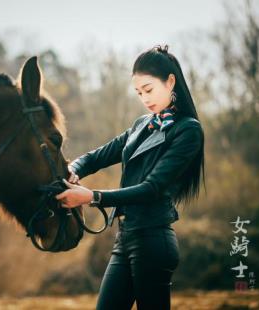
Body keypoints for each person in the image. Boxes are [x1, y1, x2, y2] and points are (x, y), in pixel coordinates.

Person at [55, 44, 205, 310]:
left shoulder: (188, 131)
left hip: (153, 240)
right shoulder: (141, 125)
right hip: (126, 238)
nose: (144, 99)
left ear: (170, 81)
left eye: (148, 89)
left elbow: (152, 188)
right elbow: (96, 157)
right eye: (138, 93)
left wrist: (92, 197)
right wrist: (73, 170)